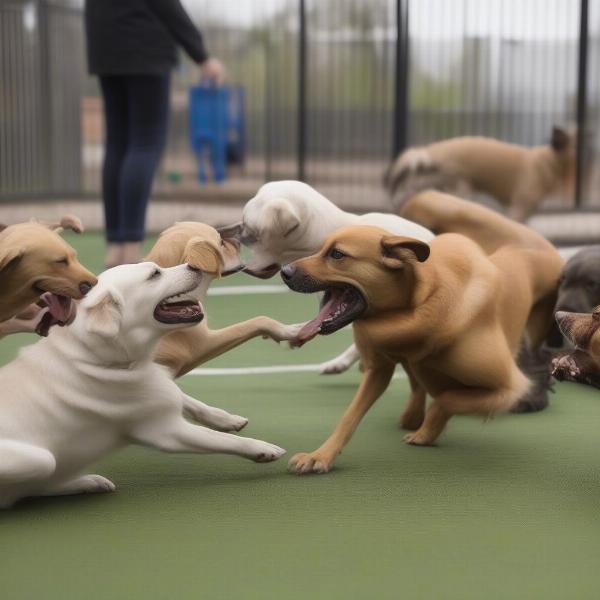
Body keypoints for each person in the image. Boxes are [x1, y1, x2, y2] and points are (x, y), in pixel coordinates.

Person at [84, 0, 225, 267]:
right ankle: (130, 246)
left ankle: (116, 244)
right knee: (145, 143)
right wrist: (202, 56)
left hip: (105, 45)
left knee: (117, 143)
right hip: (144, 47)